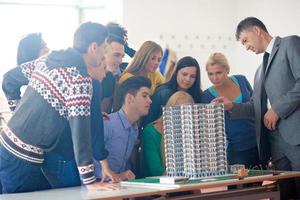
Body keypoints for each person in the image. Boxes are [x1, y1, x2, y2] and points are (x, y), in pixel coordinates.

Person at [0, 22, 118, 193]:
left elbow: (9, 80)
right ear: (93, 47)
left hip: (5, 146)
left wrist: (18, 112)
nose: (104, 54)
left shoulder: (48, 60)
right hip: (22, 160)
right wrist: (90, 181)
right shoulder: (80, 80)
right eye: (104, 47)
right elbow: (81, 134)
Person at [214, 17, 300, 199]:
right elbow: (255, 108)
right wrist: (231, 106)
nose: (246, 47)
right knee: (285, 194)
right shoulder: (259, 71)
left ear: (256, 30)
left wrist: (277, 109)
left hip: (296, 138)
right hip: (274, 143)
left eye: (245, 40)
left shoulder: (290, 43)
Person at [201, 52, 259, 168]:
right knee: (238, 185)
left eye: (219, 73)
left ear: (227, 70)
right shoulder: (206, 96)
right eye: (210, 74)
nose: (214, 78)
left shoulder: (241, 80)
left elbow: (256, 107)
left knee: (260, 182)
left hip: (257, 141)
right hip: (235, 149)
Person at [95, 76, 152, 180]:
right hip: (95, 187)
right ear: (129, 98)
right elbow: (88, 156)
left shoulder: (135, 129)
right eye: (145, 96)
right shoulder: (108, 123)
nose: (150, 101)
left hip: (115, 187)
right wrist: (113, 176)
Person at [141, 91, 194, 177]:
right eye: (178, 109)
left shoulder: (191, 131)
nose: (182, 114)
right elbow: (157, 171)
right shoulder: (150, 131)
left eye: (187, 110)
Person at [142, 56, 202, 127]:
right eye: (184, 74)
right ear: (176, 73)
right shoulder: (162, 93)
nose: (188, 79)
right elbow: (148, 122)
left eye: (192, 76)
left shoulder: (198, 95)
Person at [2, 32, 49, 111]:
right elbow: (8, 80)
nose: (48, 49)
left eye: (46, 45)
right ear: (31, 52)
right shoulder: (19, 84)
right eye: (43, 47)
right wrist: (16, 112)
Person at [101, 23, 126, 113]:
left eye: (122, 56)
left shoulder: (110, 79)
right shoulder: (84, 77)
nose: (120, 61)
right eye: (116, 55)